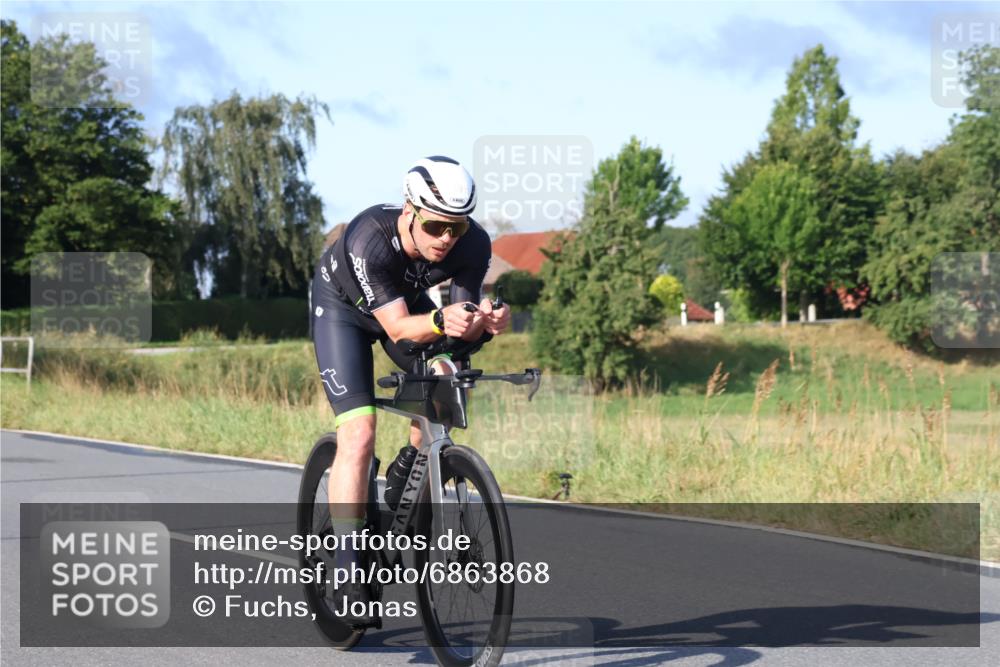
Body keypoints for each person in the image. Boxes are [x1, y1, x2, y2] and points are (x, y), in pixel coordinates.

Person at [310, 155, 510, 621]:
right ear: (410, 212)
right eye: (437, 226)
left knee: (444, 379)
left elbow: (458, 334)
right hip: (343, 312)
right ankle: (345, 562)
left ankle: (403, 482)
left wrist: (485, 323)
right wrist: (442, 319)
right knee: (358, 433)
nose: (446, 239)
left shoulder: (471, 242)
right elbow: (400, 328)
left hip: (405, 307)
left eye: (455, 229)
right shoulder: (368, 240)